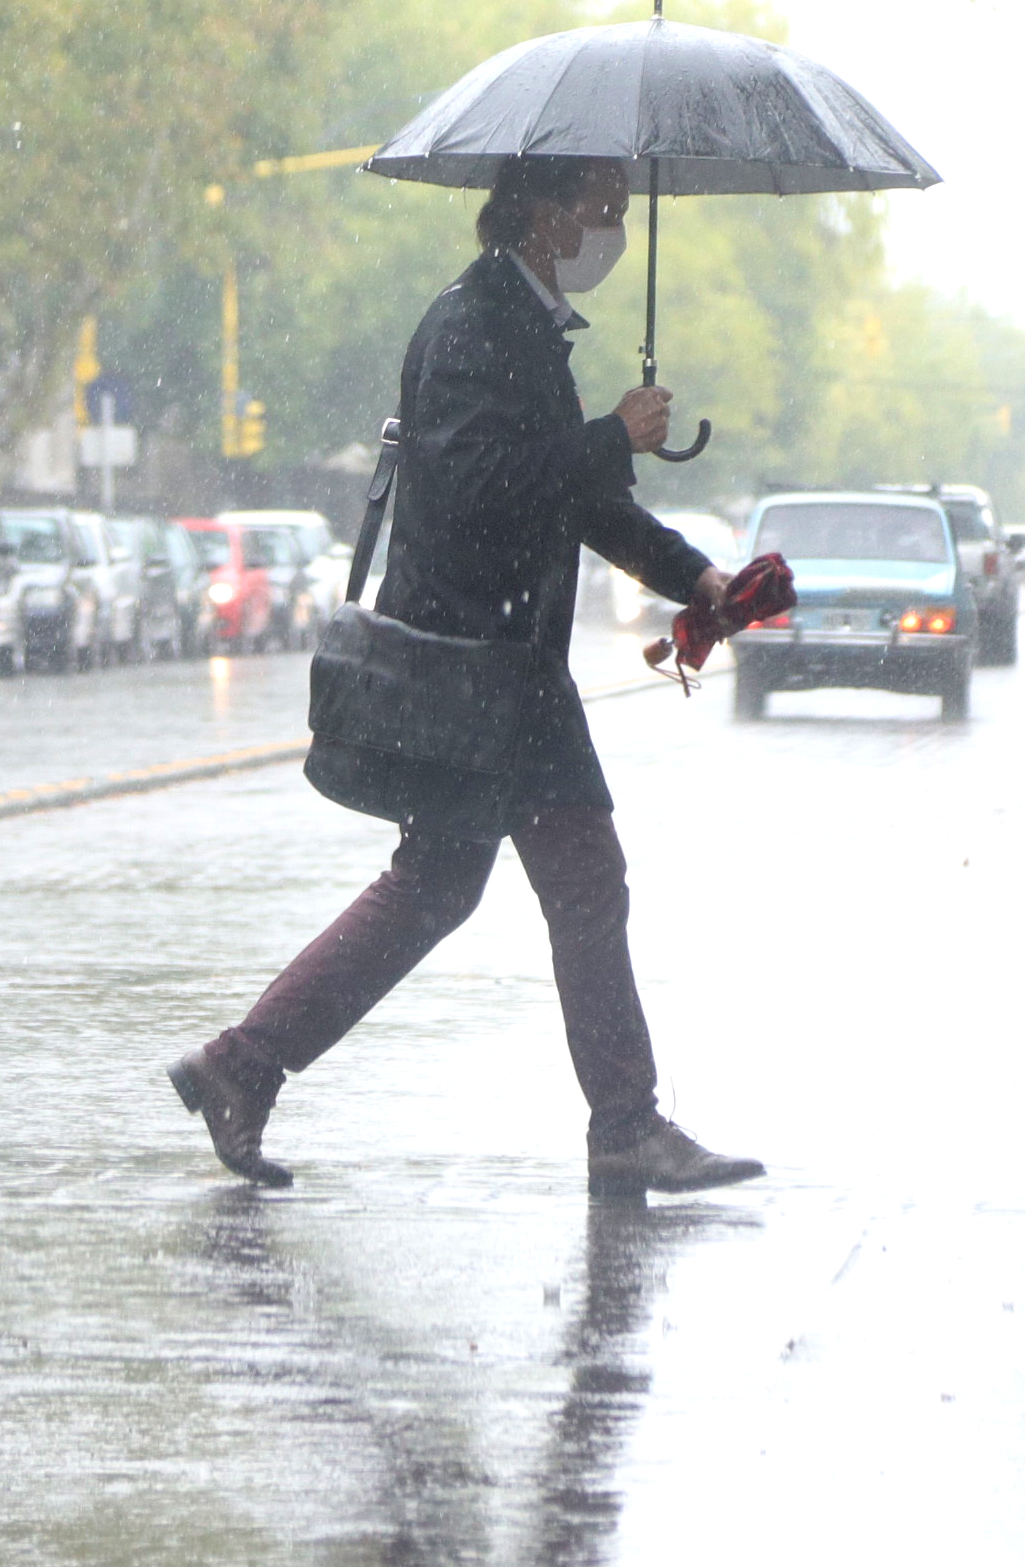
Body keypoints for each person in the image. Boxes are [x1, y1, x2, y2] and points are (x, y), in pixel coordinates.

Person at [169, 155, 765, 1198]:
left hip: (500, 667)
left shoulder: (524, 324)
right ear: (539, 210)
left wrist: (698, 575)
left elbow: (578, 507)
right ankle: (623, 1125)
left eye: (621, 211)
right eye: (600, 208)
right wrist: (606, 436)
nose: (612, 230)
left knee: (443, 886)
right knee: (570, 882)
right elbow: (476, 487)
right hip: (477, 668)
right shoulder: (471, 325)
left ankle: (241, 1065)